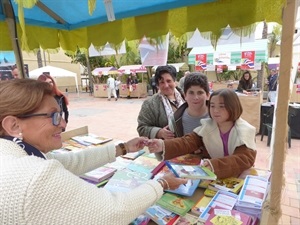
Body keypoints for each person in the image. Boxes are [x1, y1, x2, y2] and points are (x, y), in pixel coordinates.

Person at [0, 79, 187, 224]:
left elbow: (69, 163)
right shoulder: (33, 176)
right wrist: (162, 183)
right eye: (54, 116)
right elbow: (115, 211)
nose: (63, 124)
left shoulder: (15, 155)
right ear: (13, 125)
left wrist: (123, 148)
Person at [147, 89, 257, 179]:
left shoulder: (245, 130)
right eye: (212, 106)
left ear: (233, 107)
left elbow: (243, 158)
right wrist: (162, 145)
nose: (215, 110)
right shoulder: (208, 126)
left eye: (221, 106)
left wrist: (214, 165)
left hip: (238, 176)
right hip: (214, 175)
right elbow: (188, 141)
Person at [137, 65, 185, 139]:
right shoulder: (150, 104)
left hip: (187, 145)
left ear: (174, 81)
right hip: (165, 147)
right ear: (158, 85)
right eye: (162, 82)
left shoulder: (186, 97)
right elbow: (142, 128)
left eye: (169, 81)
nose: (166, 85)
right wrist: (159, 132)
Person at [170, 72, 210, 137]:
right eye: (191, 93)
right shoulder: (176, 120)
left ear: (207, 95)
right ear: (185, 95)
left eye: (200, 93)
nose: (196, 97)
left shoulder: (217, 117)